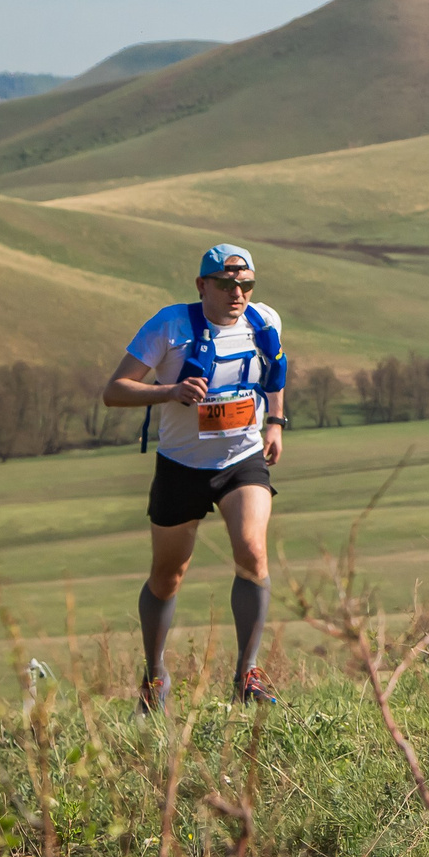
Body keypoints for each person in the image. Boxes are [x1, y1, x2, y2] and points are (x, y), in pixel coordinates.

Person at [101, 243, 289, 711]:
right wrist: (170, 390)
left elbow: (275, 373)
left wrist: (275, 422)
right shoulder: (170, 325)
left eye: (245, 285)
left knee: (252, 552)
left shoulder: (264, 321)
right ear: (202, 285)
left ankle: (248, 675)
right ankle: (155, 677)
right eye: (226, 284)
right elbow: (114, 391)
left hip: (241, 459)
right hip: (181, 466)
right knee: (168, 576)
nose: (237, 294)